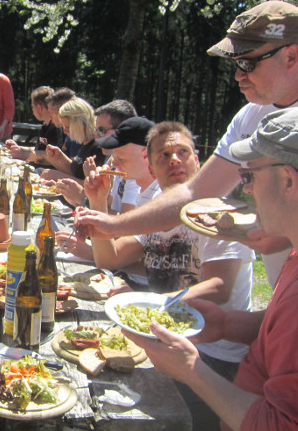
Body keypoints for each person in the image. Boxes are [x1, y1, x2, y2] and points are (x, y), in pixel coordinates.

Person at [74, 0, 298, 283]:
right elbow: (194, 192)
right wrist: (113, 226)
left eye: (248, 62)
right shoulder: (251, 116)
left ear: (292, 55)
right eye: (235, 64)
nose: (238, 75)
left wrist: (283, 236)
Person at [128, 107, 298, 430]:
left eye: (249, 177)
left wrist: (190, 369)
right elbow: (292, 335)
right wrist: (226, 323)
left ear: (288, 180)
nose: (247, 191)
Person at [89, 121, 255, 430]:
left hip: (211, 355)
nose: (174, 160)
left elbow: (220, 287)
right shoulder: (158, 211)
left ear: (198, 161)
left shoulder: (219, 213)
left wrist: (146, 303)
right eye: (164, 156)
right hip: (164, 339)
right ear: (151, 168)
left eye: (183, 152)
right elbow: (109, 258)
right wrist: (97, 202)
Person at [56, 116, 157, 263]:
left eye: (121, 158)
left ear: (146, 156)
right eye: (113, 157)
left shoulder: (158, 197)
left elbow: (112, 260)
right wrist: (97, 201)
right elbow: (109, 260)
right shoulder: (144, 191)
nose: (114, 164)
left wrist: (89, 251)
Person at [57, 100, 138, 210]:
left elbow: (126, 223)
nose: (96, 137)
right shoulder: (111, 160)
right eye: (96, 130)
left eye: (101, 130)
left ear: (123, 130)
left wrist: (82, 197)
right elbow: (107, 208)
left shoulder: (135, 170)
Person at [41, 96, 106, 180]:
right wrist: (59, 157)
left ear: (79, 124)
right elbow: (75, 172)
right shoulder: (85, 143)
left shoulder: (98, 148)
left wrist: (59, 176)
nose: (65, 131)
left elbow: (93, 188)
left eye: (67, 127)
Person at [4, 86, 64, 163]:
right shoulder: (45, 125)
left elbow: (53, 156)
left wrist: (23, 154)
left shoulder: (56, 127)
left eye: (32, 107)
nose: (32, 110)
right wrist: (18, 148)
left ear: (39, 107)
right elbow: (39, 150)